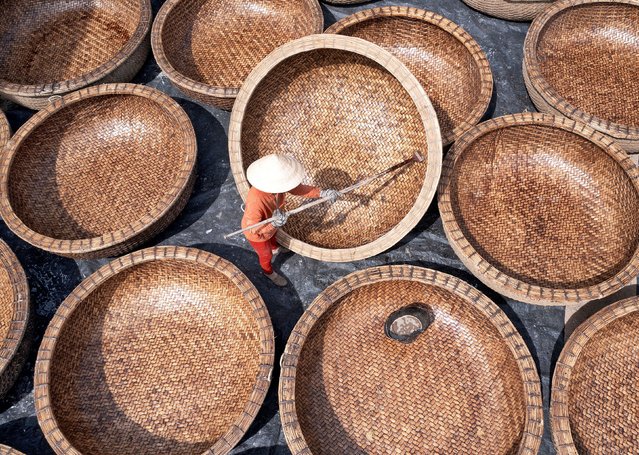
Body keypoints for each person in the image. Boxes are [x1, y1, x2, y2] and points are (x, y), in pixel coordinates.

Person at [242, 154, 341, 286]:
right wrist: (273, 224)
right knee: (265, 255)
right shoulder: (256, 199)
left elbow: (299, 189)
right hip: (258, 234)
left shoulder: (279, 185)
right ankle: (268, 272)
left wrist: (322, 193)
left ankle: (275, 247)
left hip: (273, 222)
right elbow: (254, 228)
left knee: (273, 239)